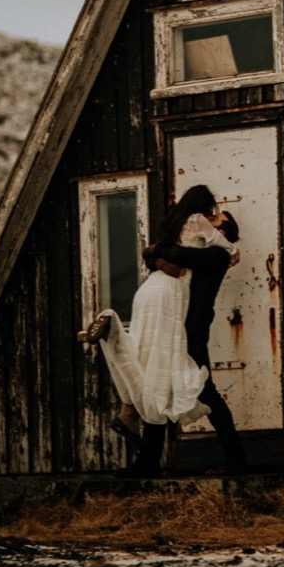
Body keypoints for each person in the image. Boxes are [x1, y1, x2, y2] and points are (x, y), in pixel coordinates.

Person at [86, 184, 247, 475]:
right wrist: (156, 256)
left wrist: (156, 252)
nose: (209, 219)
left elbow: (176, 254)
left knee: (205, 391)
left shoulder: (216, 256)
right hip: (173, 324)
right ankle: (148, 462)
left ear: (222, 233)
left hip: (190, 331)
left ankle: (236, 461)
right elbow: (165, 256)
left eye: (216, 220)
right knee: (156, 383)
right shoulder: (198, 248)